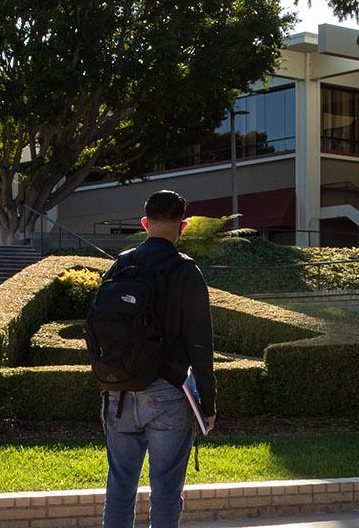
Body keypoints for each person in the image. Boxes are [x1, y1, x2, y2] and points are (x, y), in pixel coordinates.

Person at [101, 190, 215, 528]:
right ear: (183, 227)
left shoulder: (121, 264)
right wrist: (207, 405)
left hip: (117, 391)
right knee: (165, 488)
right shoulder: (186, 272)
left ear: (145, 223)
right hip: (168, 393)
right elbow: (200, 344)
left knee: (119, 485)